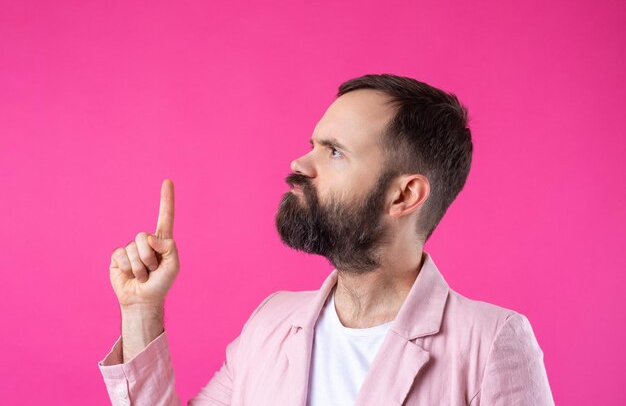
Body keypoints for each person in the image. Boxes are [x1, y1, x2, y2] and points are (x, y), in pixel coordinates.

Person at [98, 74, 555, 406]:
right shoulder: (271, 323)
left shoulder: (490, 342)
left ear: (404, 195)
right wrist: (141, 312)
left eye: (334, 152)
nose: (300, 163)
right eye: (313, 144)